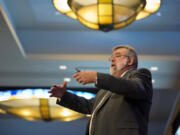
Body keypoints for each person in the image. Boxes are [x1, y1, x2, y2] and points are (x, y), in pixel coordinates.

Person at [48, 45, 153, 135]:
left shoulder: (140, 74)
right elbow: (89, 106)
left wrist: (96, 77)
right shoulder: (104, 90)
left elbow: (134, 88)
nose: (112, 59)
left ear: (130, 61)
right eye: (111, 57)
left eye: (117, 56)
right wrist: (63, 95)